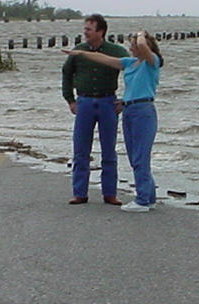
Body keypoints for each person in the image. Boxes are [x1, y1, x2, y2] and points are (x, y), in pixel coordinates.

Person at [63, 30, 163, 213]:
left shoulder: (152, 61)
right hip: (129, 109)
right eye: (131, 44)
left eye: (133, 44)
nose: (132, 47)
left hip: (144, 111)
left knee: (141, 156)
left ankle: (142, 200)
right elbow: (105, 59)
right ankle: (149, 197)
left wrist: (141, 34)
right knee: (135, 157)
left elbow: (142, 46)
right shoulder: (130, 63)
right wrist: (82, 53)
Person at [61, 14, 130, 206]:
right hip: (84, 103)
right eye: (85, 29)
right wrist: (70, 100)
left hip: (108, 102)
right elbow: (66, 74)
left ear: (100, 32)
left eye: (89, 30)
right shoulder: (78, 51)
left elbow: (134, 73)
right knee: (81, 149)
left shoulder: (116, 51)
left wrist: (125, 100)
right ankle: (80, 193)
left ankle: (110, 193)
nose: (85, 33)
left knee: (109, 150)